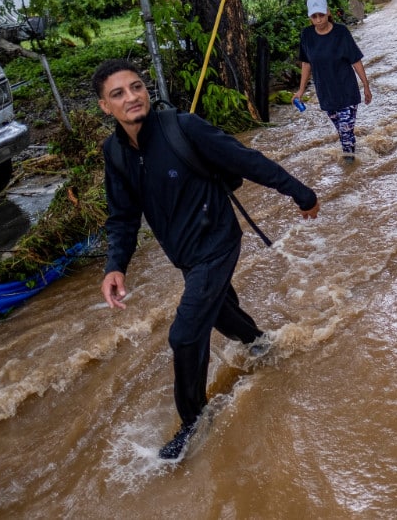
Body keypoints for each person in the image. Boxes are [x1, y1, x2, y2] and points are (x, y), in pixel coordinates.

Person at [92, 58, 320, 461]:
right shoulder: (115, 153)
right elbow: (123, 216)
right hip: (184, 255)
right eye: (118, 93)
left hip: (217, 242)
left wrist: (301, 193)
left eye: (137, 87)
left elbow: (247, 161)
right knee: (216, 311)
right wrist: (116, 265)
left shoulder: (183, 128)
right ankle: (261, 344)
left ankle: (193, 422)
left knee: (184, 334)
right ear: (104, 106)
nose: (132, 97)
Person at [294, 0, 372, 162]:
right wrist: (300, 90)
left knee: (345, 131)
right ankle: (352, 153)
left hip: (346, 91)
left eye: (321, 15)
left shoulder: (341, 33)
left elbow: (355, 60)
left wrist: (366, 86)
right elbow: (306, 63)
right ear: (310, 17)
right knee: (344, 132)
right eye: (314, 16)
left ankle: (350, 167)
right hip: (326, 93)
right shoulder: (307, 35)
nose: (318, 20)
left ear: (328, 13)